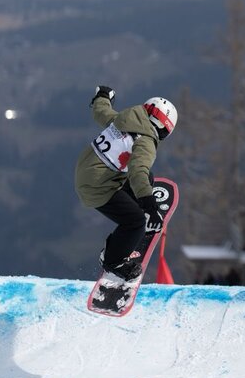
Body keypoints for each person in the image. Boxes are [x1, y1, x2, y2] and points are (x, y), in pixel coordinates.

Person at [74, 85, 178, 284]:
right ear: (163, 128)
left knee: (147, 177)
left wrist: (103, 96)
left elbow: (100, 112)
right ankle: (113, 262)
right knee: (136, 222)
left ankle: (135, 207)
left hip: (86, 172)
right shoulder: (146, 141)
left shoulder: (124, 119)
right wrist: (149, 206)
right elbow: (138, 172)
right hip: (97, 188)